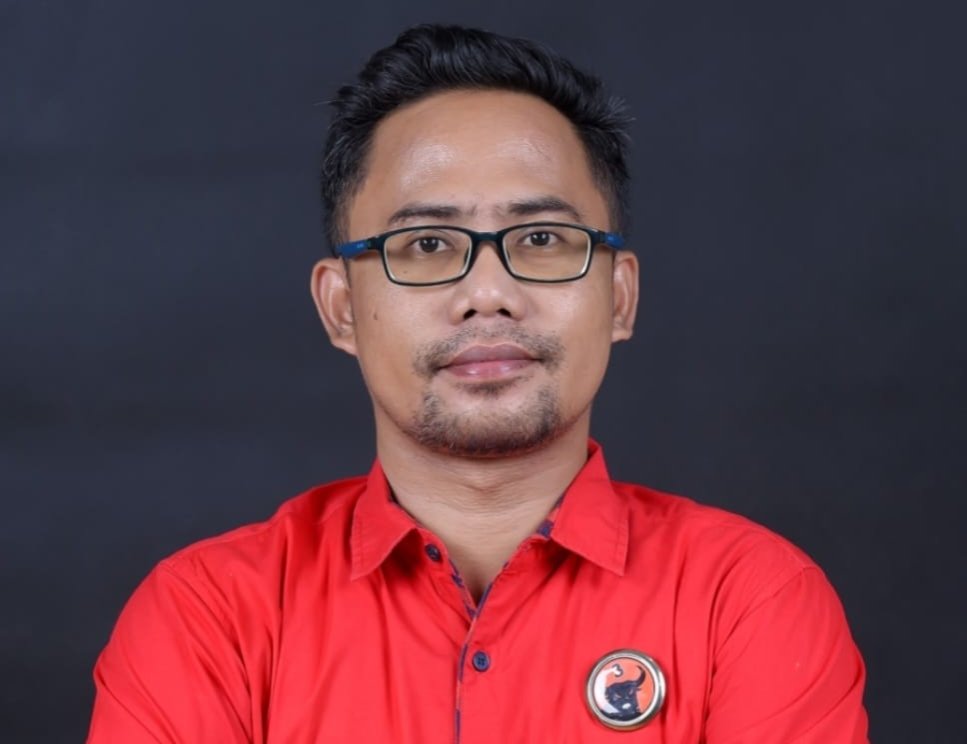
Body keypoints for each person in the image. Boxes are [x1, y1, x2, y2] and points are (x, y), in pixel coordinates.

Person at [87, 24, 869, 743]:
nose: (487, 293)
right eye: (426, 244)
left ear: (620, 296)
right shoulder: (208, 617)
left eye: (541, 238)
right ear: (340, 308)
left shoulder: (748, 600)